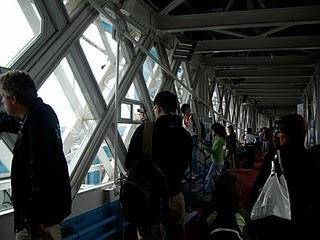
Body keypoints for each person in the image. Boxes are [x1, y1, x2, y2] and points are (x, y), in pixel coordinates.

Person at [0, 70, 71, 240]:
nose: (2, 101)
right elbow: (13, 122)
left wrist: (36, 221)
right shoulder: (40, 114)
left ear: (14, 99)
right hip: (42, 217)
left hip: (38, 221)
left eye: (3, 97)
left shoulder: (37, 122)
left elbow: (45, 172)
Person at [125, 91, 193, 240]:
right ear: (176, 108)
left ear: (157, 107)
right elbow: (186, 165)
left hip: (148, 199)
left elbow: (129, 164)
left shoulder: (145, 130)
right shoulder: (185, 136)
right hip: (175, 197)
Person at [250, 114, 317, 239]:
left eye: (279, 131)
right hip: (301, 214)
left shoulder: (274, 156)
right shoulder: (309, 156)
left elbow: (259, 183)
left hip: (277, 213)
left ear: (285, 134)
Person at [203, 123, 226, 194]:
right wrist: (205, 144)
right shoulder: (218, 139)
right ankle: (212, 190)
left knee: (210, 177)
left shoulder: (219, 140)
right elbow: (213, 149)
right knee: (213, 176)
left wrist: (204, 147)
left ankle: (209, 191)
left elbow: (215, 152)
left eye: (213, 130)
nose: (212, 132)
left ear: (216, 131)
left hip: (217, 162)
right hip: (217, 161)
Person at [181, 103, 202, 176]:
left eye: (189, 108)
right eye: (187, 108)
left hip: (194, 137)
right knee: (188, 155)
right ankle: (191, 171)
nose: (189, 109)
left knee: (193, 155)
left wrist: (199, 135)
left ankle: (195, 171)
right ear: (184, 110)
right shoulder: (183, 118)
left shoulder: (193, 116)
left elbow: (198, 125)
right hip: (186, 138)